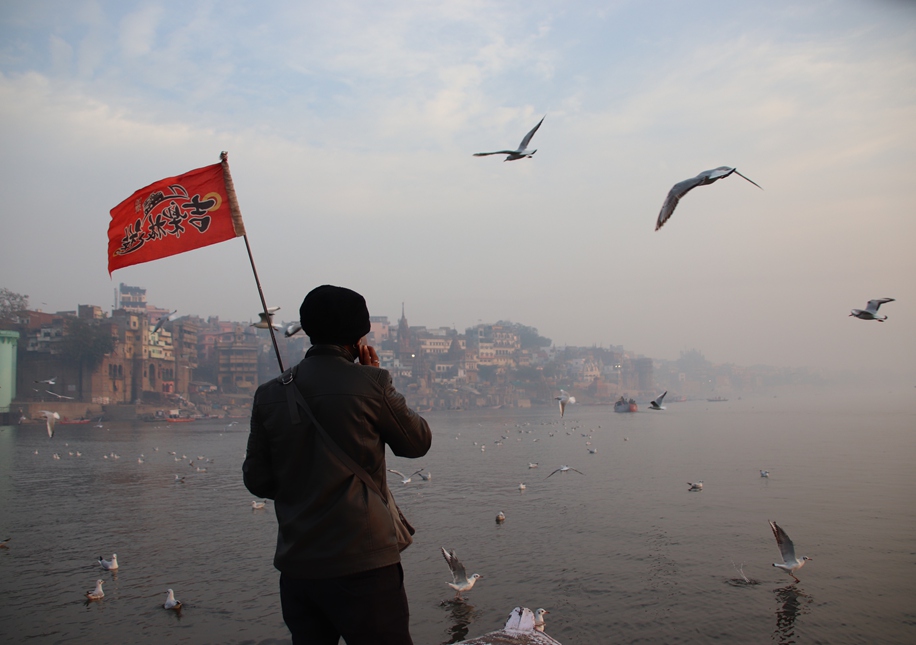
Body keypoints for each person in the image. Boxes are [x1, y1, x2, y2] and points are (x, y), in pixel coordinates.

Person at [243, 285, 432, 645]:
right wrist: (375, 379)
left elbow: (258, 481)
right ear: (359, 338)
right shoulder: (372, 383)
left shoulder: (270, 393)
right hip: (364, 565)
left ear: (308, 329)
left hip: (299, 566)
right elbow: (417, 442)